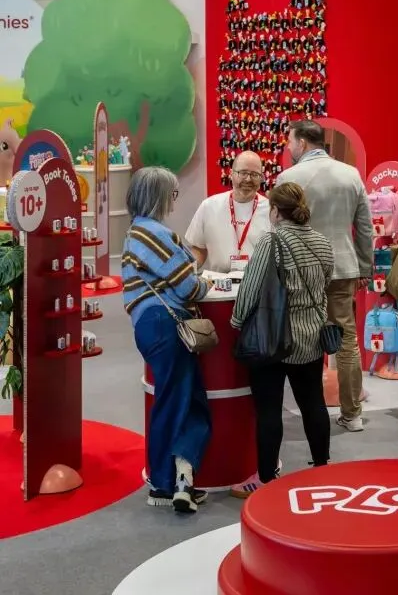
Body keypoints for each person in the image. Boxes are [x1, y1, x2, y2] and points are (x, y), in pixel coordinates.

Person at [228, 183, 335, 498]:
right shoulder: (322, 241)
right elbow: (325, 283)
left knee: (269, 409)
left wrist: (237, 322)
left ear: (275, 211)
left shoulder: (271, 241)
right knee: (313, 403)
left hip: (274, 338)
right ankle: (322, 467)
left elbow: (251, 289)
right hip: (311, 336)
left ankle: (265, 478)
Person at [121, 167, 213, 514]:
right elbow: (188, 286)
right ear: (159, 196)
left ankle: (181, 481)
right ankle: (163, 482)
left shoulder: (137, 232)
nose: (175, 200)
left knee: (185, 401)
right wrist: (206, 285)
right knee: (177, 402)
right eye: (173, 193)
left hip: (151, 324)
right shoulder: (155, 232)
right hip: (167, 324)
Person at [277, 119, 374, 433]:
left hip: (300, 269)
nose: (289, 147)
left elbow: (277, 227)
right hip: (343, 267)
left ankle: (311, 412)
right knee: (346, 342)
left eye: (290, 141)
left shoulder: (288, 177)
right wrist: (365, 266)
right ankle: (353, 413)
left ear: (302, 143)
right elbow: (365, 227)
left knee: (302, 339)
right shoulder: (351, 175)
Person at [185, 150, 271, 274]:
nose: (248, 179)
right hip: (218, 282)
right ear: (231, 174)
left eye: (254, 174)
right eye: (243, 173)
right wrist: (186, 274)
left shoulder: (271, 210)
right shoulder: (209, 206)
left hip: (258, 283)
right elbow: (199, 248)